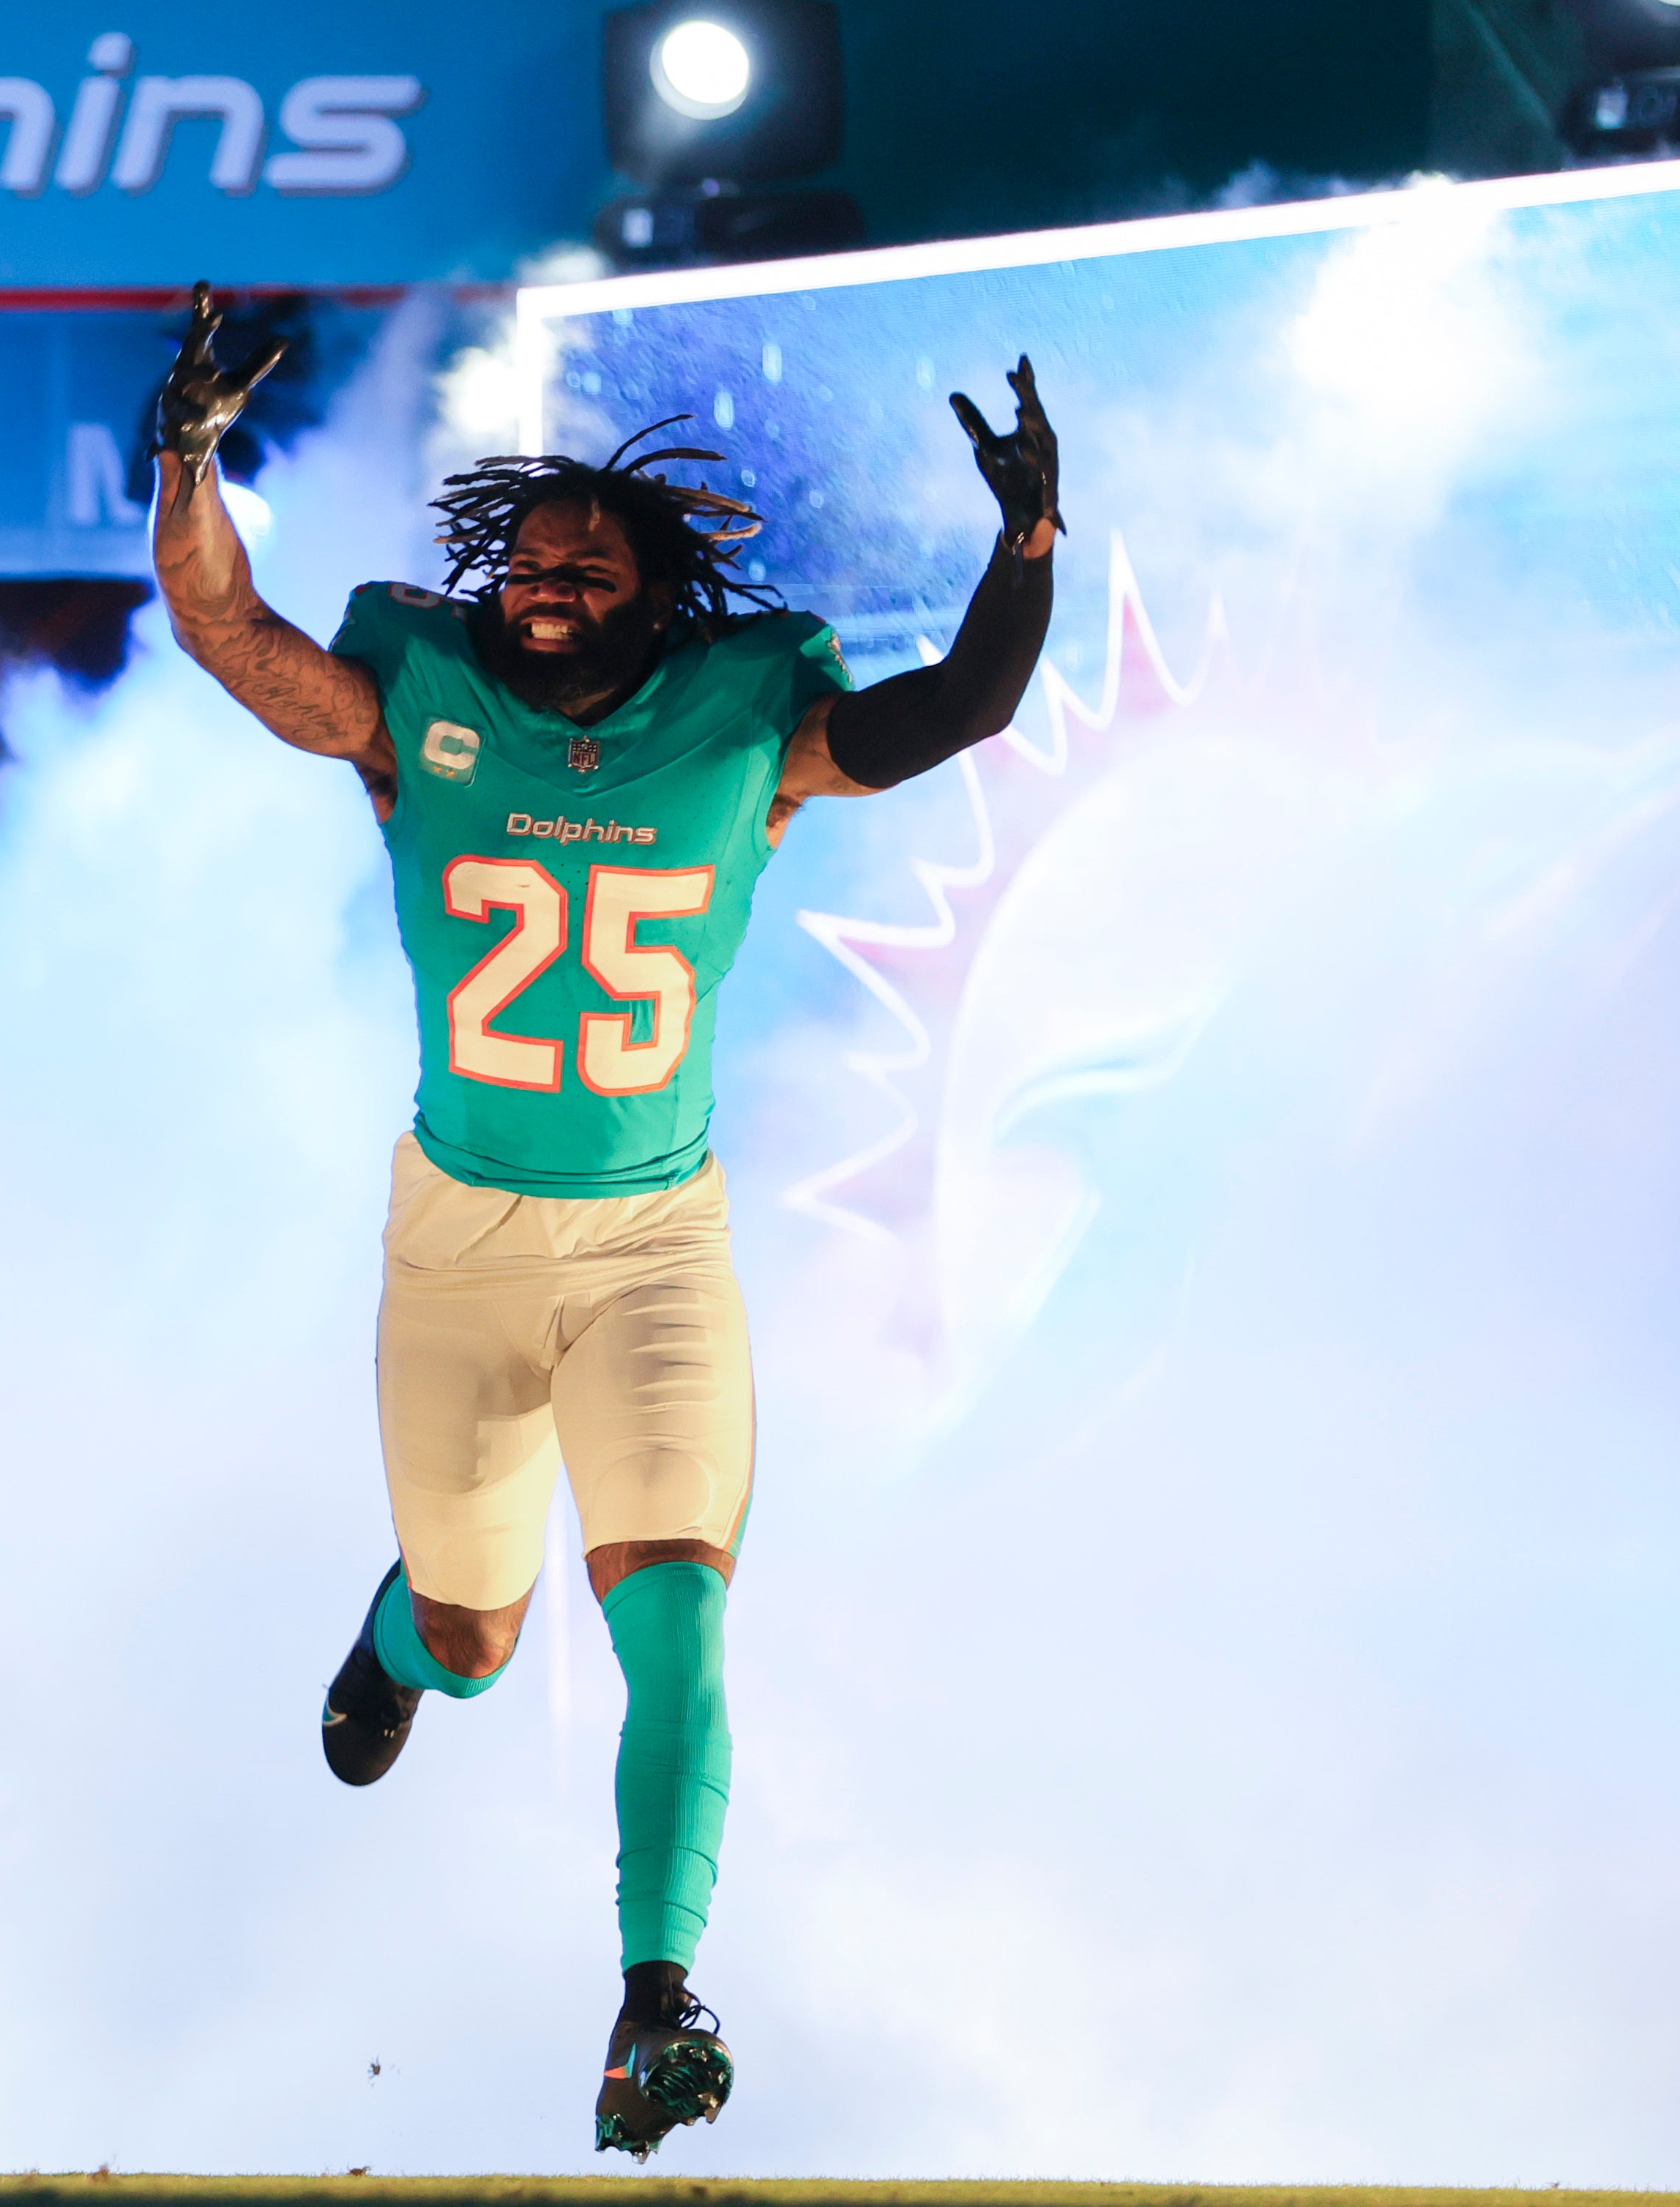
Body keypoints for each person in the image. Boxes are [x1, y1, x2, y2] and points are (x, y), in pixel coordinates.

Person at [147, 285, 1061, 2159]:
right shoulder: (419, 697)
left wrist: (1027, 544)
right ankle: (399, 1634)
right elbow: (225, 624)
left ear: (657, 593)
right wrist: (187, 461)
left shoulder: (754, 720)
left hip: (653, 1245)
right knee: (481, 1639)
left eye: (587, 559)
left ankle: (659, 1995)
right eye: (533, 556)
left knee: (682, 1631)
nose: (548, 579)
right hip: (463, 1242)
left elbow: (960, 706)